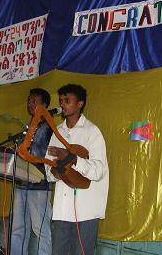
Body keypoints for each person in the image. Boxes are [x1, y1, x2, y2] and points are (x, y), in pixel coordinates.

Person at [45, 84, 109, 255]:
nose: (63, 104)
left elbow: (98, 170)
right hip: (62, 210)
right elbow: (48, 169)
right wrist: (56, 172)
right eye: (61, 101)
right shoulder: (57, 132)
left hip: (86, 209)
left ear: (80, 104)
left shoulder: (92, 132)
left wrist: (72, 158)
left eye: (67, 100)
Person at [10, 88, 53, 255]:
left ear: (45, 105)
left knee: (41, 230)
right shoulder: (28, 127)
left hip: (40, 185)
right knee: (18, 227)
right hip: (22, 182)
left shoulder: (50, 128)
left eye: (34, 101)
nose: (30, 103)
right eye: (29, 100)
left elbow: (47, 156)